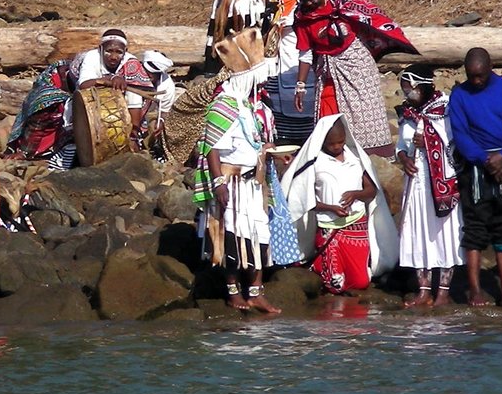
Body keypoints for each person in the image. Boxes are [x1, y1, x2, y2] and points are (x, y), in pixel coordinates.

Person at [192, 28, 280, 313]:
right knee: (230, 236)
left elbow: (253, 142)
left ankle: (255, 292)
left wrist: (267, 152)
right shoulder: (224, 105)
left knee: (259, 235)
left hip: (253, 182)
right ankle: (233, 293)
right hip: (231, 182)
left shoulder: (248, 106)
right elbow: (212, 148)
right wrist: (218, 182)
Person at [290, 0, 417, 157]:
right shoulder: (302, 17)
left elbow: (370, 16)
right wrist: (300, 86)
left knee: (366, 111)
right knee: (328, 111)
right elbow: (305, 52)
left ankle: (374, 159)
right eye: (302, 0)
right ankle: (335, 159)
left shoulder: (342, 1)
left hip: (356, 62)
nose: (307, 4)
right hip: (327, 69)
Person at [280, 114, 398, 294]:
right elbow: (304, 199)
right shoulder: (315, 163)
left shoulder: (356, 159)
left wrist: (356, 195)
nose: (337, 147)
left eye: (340, 142)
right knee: (334, 284)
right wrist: (329, 207)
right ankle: (316, 267)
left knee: (360, 282)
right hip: (328, 227)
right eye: (331, 143)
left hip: (356, 225)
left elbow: (371, 191)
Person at [448, 47, 502, 311]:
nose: (476, 81)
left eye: (480, 76)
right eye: (471, 76)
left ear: (490, 68)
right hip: (475, 167)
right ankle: (475, 289)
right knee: (475, 228)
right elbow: (460, 134)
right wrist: (485, 160)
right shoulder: (459, 95)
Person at [395, 64, 463, 307]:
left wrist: (429, 140)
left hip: (442, 181)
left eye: (409, 89)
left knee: (445, 234)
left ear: (421, 87)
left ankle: (443, 292)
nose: (406, 95)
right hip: (416, 182)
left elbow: (455, 143)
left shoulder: (445, 108)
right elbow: (401, 146)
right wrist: (403, 158)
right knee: (418, 233)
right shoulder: (407, 112)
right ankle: (423, 291)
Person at [264, 0, 337, 144]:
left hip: (317, 41)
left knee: (318, 90)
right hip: (288, 41)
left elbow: (332, 2)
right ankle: (288, 137)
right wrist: (285, 17)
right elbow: (271, 10)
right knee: (286, 85)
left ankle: (318, 136)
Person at [57, 29, 154, 169]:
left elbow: (136, 98)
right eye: (109, 51)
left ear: (125, 51)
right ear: (100, 48)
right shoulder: (91, 57)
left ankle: (131, 139)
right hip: (75, 90)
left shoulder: (131, 64)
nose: (114, 57)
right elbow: (84, 85)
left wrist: (131, 135)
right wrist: (110, 80)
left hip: (112, 102)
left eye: (119, 52)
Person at [5, 58, 73, 163]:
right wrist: (24, 152)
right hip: (41, 140)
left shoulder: (65, 67)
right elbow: (36, 127)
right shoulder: (49, 100)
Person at [135, 50, 177, 156]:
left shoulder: (167, 86)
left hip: (148, 116)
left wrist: (161, 124)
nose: (150, 75)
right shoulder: (132, 73)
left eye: (154, 73)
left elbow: (164, 111)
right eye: (147, 71)